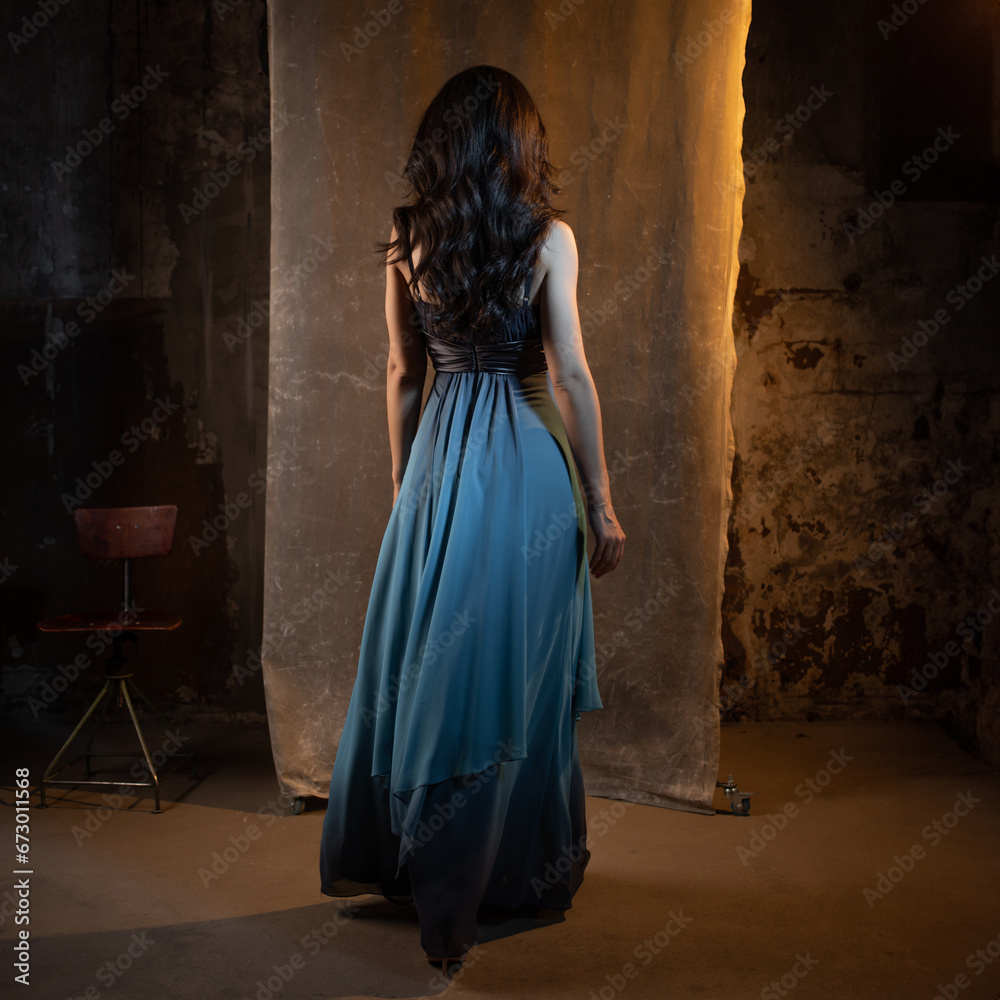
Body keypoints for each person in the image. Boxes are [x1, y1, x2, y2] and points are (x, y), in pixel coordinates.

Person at [319, 65, 625, 975]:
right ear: (516, 144)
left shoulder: (407, 237)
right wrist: (601, 501)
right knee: (515, 680)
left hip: (442, 459)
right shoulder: (549, 238)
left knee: (438, 673)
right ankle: (503, 877)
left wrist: (405, 485)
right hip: (530, 467)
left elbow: (402, 372)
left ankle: (431, 872)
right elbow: (569, 374)